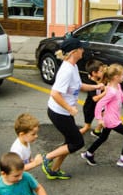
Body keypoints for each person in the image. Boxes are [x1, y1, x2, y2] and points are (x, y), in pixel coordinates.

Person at [40, 37, 99, 181]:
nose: (83, 50)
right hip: (58, 113)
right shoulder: (66, 70)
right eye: (81, 48)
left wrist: (96, 86)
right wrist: (70, 109)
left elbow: (79, 86)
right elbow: (54, 93)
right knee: (77, 142)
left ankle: (54, 170)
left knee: (69, 142)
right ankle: (46, 158)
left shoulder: (73, 66)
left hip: (64, 112)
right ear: (74, 52)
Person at [80, 63, 123, 169]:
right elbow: (99, 105)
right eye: (122, 75)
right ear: (116, 77)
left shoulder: (118, 86)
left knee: (103, 137)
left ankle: (88, 153)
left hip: (113, 118)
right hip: (111, 120)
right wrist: (99, 119)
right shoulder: (110, 91)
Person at [79, 60, 106, 136]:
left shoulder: (99, 79)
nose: (103, 72)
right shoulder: (90, 83)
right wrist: (106, 92)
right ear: (94, 73)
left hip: (99, 106)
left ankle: (97, 131)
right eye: (101, 71)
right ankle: (74, 137)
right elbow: (95, 98)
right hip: (89, 108)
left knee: (105, 116)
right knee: (87, 127)